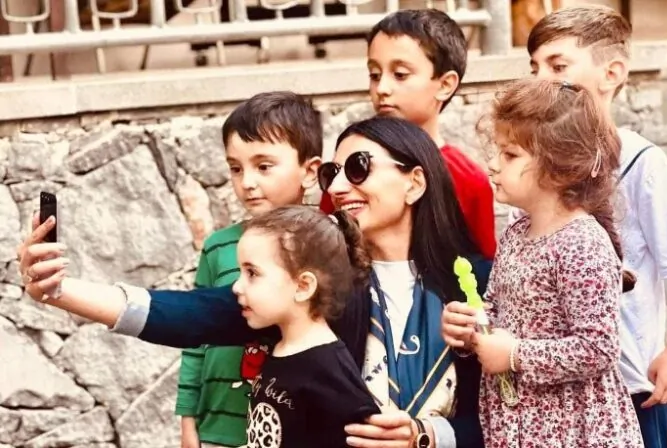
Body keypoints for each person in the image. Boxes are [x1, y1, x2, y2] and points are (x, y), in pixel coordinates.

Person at [18, 116, 491, 448]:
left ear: (414, 182)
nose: (336, 187)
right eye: (332, 172)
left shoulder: (477, 282)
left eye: (358, 168)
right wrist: (59, 291)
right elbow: (193, 314)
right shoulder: (323, 278)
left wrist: (426, 436)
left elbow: (506, 416)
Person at [507, 6, 667, 447]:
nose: (541, 80)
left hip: (630, 382)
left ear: (611, 73)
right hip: (553, 386)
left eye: (558, 66)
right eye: (534, 67)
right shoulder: (527, 169)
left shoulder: (642, 163)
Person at [445, 78, 644, 447]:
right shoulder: (516, 233)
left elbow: (598, 348)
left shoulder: (582, 244)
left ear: (558, 168)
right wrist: (471, 327)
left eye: (510, 155)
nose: (492, 164)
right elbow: (497, 309)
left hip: (574, 430)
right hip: (521, 425)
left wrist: (515, 355)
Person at [176, 92, 323, 448]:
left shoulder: (325, 245)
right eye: (236, 168)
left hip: (291, 430)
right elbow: (195, 336)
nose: (247, 182)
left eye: (264, 166)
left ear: (309, 171)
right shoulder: (218, 247)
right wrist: (188, 418)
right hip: (218, 429)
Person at [319, 8, 497, 260]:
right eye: (374, 75)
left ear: (445, 84)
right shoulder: (346, 171)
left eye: (400, 75)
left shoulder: (469, 180)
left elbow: (483, 268)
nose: (382, 88)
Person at [232, 205, 379, 447]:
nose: (237, 287)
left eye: (252, 273)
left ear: (303, 287)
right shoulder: (281, 348)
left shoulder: (329, 371)